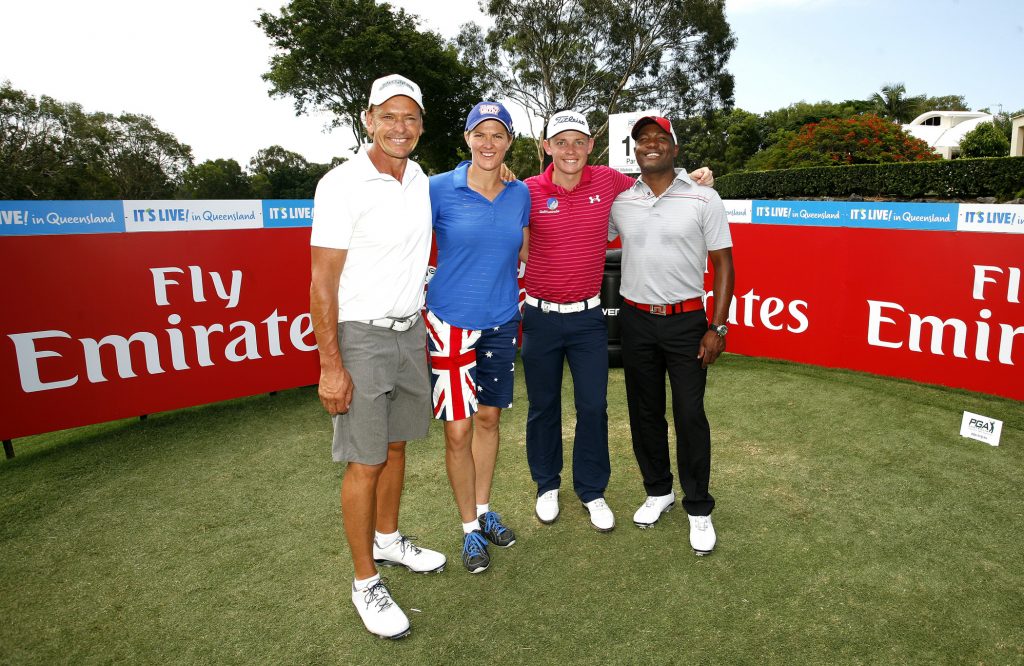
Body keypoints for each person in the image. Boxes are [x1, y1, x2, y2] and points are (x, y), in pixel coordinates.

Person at [520, 111, 713, 532]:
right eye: (561, 141)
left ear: (592, 146)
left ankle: (592, 490)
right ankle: (546, 484)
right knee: (543, 406)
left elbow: (657, 182)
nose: (570, 150)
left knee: (593, 407)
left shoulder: (609, 181)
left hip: (588, 317)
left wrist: (694, 176)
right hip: (540, 316)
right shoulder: (526, 191)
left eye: (578, 141)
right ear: (546, 147)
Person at [309, 74, 445, 640]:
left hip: (410, 331)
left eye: (410, 117)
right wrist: (330, 365)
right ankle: (365, 581)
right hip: (360, 336)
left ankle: (388, 543)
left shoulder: (420, 179)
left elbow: (484, 177)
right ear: (368, 119)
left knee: (395, 445)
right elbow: (322, 282)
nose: (400, 127)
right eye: (389, 116)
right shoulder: (340, 184)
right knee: (364, 459)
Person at [609, 115, 734, 556]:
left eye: (660, 138)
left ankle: (698, 507)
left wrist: (717, 327)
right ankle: (658, 490)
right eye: (642, 140)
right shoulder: (621, 201)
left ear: (675, 149)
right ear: (635, 151)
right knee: (645, 413)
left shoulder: (704, 198)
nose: (650, 145)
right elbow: (589, 234)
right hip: (636, 320)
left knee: (689, 414)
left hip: (686, 323)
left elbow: (724, 266)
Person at [425, 101, 529, 573]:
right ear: (467, 138)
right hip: (449, 323)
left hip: (502, 320)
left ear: (509, 142)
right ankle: (469, 529)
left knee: (488, 420)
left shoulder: (519, 193)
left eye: (498, 135)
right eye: (480, 134)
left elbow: (521, 249)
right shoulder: (436, 189)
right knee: (458, 428)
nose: (489, 143)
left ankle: (485, 512)